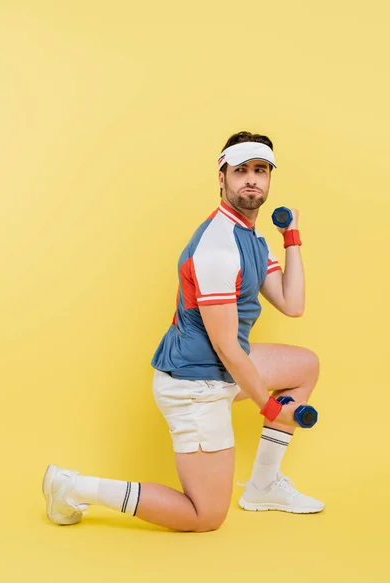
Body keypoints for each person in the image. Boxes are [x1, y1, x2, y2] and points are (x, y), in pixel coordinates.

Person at [42, 131, 324, 532]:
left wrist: (291, 238)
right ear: (221, 178)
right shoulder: (217, 248)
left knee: (304, 365)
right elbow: (227, 347)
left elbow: (292, 305)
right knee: (205, 515)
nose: (251, 179)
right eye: (240, 170)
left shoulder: (254, 238)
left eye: (260, 170)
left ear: (269, 180)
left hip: (222, 368)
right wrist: (270, 407)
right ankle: (72, 486)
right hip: (195, 382)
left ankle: (263, 486)